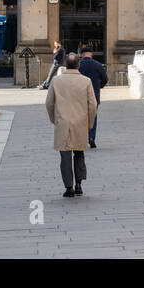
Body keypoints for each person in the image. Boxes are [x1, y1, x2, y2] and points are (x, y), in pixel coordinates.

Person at [46, 53, 97, 198]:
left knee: (65, 156)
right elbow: (92, 105)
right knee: (79, 153)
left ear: (65, 65)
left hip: (63, 123)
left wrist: (53, 119)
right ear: (78, 65)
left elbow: (49, 103)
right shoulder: (86, 81)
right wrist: (89, 122)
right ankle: (79, 184)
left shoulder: (56, 81)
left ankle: (69, 187)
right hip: (80, 122)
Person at [77, 49, 108, 148]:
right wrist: (99, 86)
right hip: (94, 95)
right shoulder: (98, 65)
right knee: (93, 117)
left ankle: (81, 138)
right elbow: (105, 79)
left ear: (82, 55)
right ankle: (91, 137)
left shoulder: (78, 65)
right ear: (91, 55)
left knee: (81, 117)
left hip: (80, 96)